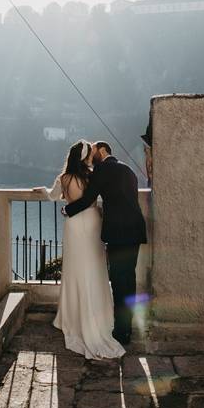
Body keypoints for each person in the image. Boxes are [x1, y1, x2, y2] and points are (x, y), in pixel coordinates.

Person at [34, 140, 124, 360]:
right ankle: (99, 316)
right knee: (94, 267)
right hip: (93, 222)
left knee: (74, 269)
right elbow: (97, 198)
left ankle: (70, 317)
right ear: (85, 158)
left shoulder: (63, 179)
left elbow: (53, 196)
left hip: (74, 225)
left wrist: (43, 191)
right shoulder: (92, 176)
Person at [63, 141, 147, 345]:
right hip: (135, 230)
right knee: (129, 279)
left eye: (93, 152)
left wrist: (67, 210)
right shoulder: (128, 169)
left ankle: (121, 331)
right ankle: (128, 327)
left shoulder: (102, 171)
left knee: (119, 282)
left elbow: (87, 199)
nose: (92, 158)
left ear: (102, 150)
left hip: (118, 233)